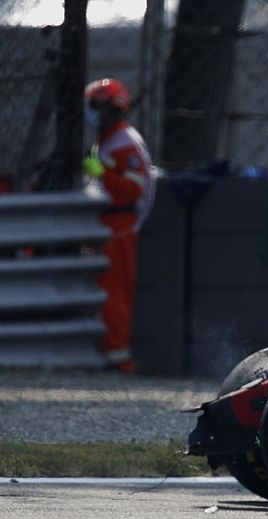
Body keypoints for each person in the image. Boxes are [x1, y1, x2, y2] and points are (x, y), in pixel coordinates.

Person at [82, 78, 154, 372]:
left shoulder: (124, 142)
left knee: (114, 292)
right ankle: (106, 351)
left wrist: (102, 174)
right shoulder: (109, 137)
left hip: (119, 224)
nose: (93, 112)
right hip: (105, 222)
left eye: (99, 106)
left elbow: (132, 189)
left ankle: (118, 358)